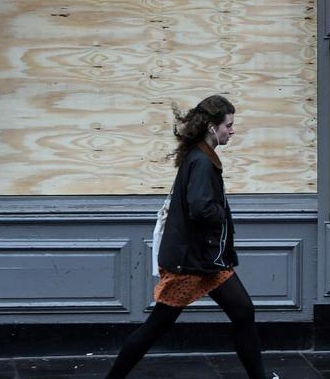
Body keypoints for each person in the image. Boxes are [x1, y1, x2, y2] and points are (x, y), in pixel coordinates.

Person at [106, 95, 271, 379]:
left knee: (243, 312)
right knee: (157, 325)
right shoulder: (202, 162)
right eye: (228, 125)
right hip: (190, 263)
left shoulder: (199, 155)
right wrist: (222, 212)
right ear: (211, 127)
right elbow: (200, 208)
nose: (232, 130)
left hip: (206, 261)